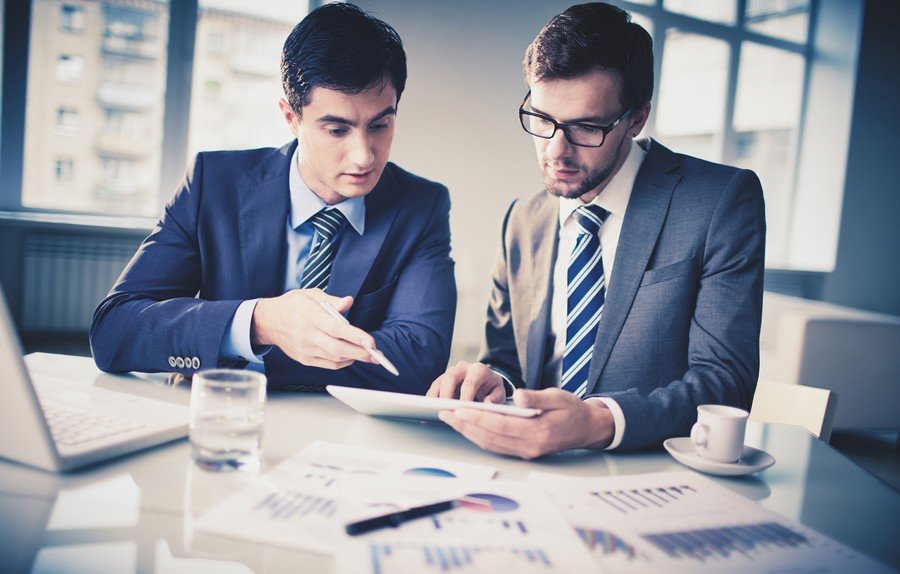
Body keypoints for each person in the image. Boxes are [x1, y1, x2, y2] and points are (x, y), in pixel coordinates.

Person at [429, 2, 765, 458]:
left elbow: (725, 383)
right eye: (542, 121)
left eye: (586, 127)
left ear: (636, 118)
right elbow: (506, 360)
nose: (556, 150)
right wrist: (494, 383)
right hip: (529, 475)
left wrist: (598, 422)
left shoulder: (720, 202)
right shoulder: (521, 221)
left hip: (651, 477)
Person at [90, 3, 456, 392]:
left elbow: (420, 359)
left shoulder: (422, 205)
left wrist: (239, 350)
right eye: (336, 130)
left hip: (338, 434)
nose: (364, 155)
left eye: (380, 125)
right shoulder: (213, 184)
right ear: (290, 116)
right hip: (220, 420)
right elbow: (114, 330)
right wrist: (261, 323)